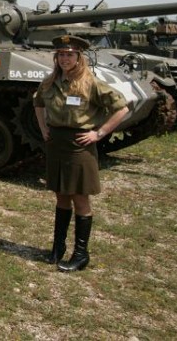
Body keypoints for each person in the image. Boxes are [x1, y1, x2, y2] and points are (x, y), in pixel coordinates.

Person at [33, 35, 129, 272]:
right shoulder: (50, 81)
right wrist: (44, 128)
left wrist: (99, 133)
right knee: (61, 196)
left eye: (70, 55)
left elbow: (122, 108)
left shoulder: (90, 82)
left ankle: (81, 254)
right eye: (61, 54)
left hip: (79, 145)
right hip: (56, 144)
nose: (65, 59)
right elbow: (38, 103)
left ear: (79, 57)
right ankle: (58, 248)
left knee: (80, 198)